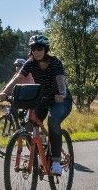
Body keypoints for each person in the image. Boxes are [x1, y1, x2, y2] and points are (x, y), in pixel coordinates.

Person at [19, 35, 73, 175]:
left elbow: (60, 79)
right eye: (33, 48)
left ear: (45, 49)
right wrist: (4, 92)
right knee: (29, 124)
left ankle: (56, 161)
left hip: (61, 100)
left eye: (39, 48)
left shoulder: (55, 62)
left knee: (53, 121)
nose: (36, 51)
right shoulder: (30, 63)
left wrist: (62, 94)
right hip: (43, 99)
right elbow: (18, 78)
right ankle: (39, 152)